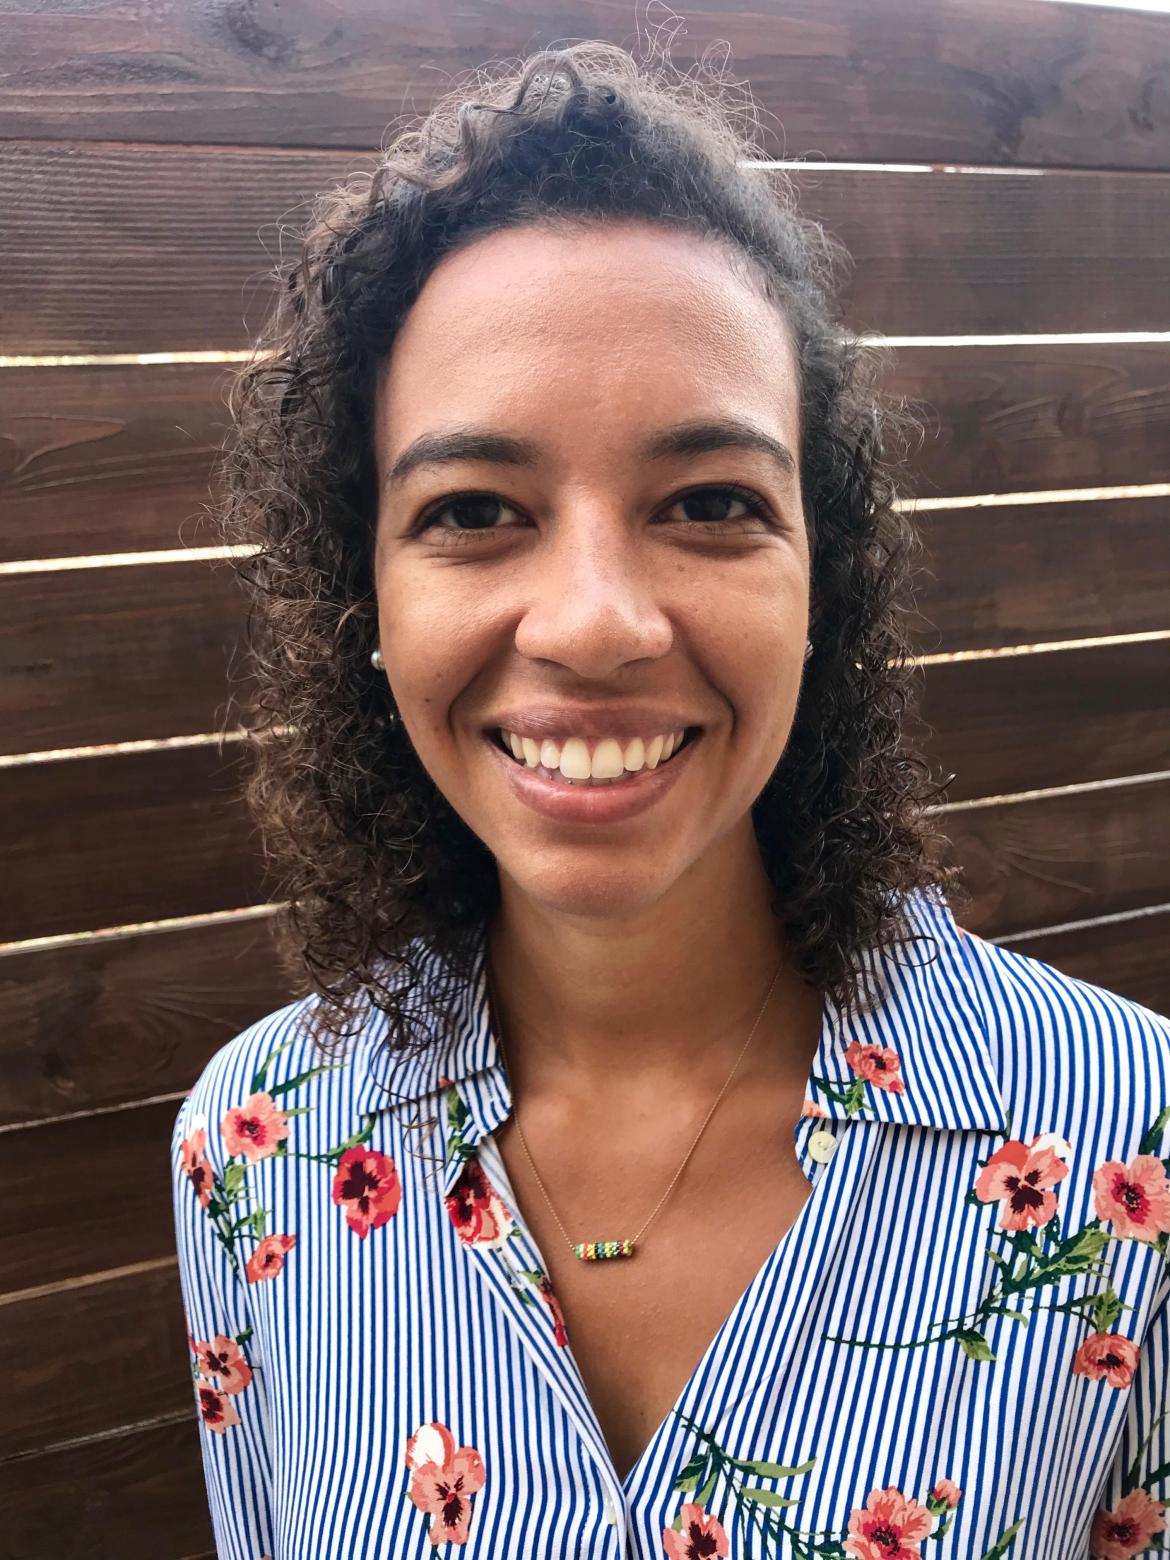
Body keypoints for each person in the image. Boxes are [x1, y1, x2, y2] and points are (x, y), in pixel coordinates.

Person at [170, 41, 1169, 1560]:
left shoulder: (1132, 1147)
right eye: (473, 513)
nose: (592, 622)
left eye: (708, 504)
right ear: (358, 592)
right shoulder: (253, 1153)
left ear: (818, 578)